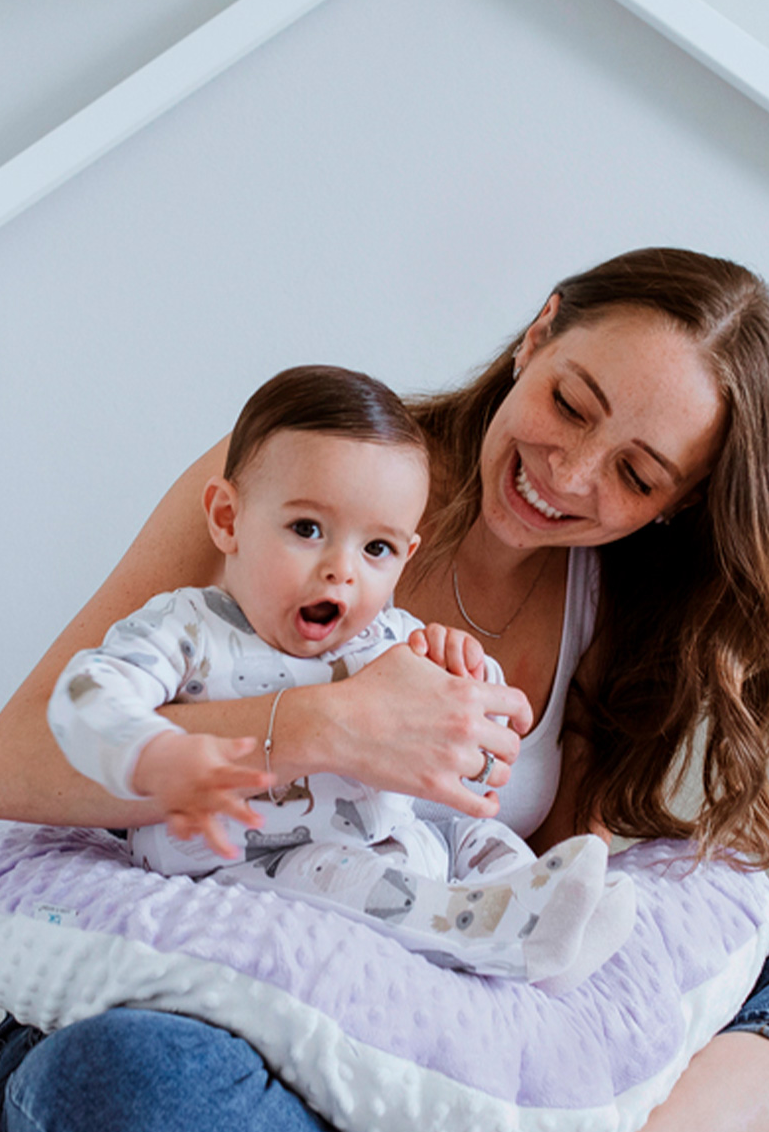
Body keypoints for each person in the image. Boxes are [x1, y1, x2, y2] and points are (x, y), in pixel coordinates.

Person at [0, 247, 769, 1132]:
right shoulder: (305, 482)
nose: (569, 476)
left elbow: (546, 890)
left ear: (682, 502)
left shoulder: (619, 611)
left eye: (638, 475)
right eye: (573, 405)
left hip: (431, 1013)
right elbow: (5, 771)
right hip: (226, 981)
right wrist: (322, 727)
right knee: (111, 1087)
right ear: (538, 335)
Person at [47, 364, 632, 993]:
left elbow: (474, 731)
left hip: (390, 848)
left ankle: (541, 931)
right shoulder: (190, 629)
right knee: (326, 870)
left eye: (374, 549)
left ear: (405, 556)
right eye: (306, 530)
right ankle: (493, 940)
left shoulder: (384, 638)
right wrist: (150, 754)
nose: (340, 571)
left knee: (474, 837)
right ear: (227, 519)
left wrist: (464, 672)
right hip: (248, 869)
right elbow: (85, 693)